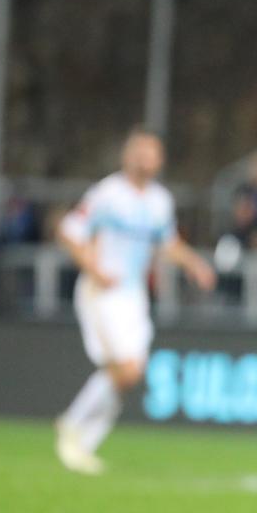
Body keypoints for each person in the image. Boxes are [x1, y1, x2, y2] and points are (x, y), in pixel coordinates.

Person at [53, 129, 216, 474]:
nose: (146, 159)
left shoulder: (159, 201)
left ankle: (82, 444)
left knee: (131, 373)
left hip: (133, 296)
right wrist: (94, 268)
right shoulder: (108, 194)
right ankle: (72, 425)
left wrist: (195, 265)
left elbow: (167, 244)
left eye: (152, 153)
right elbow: (69, 231)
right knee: (124, 370)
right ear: (127, 156)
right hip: (103, 292)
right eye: (140, 152)